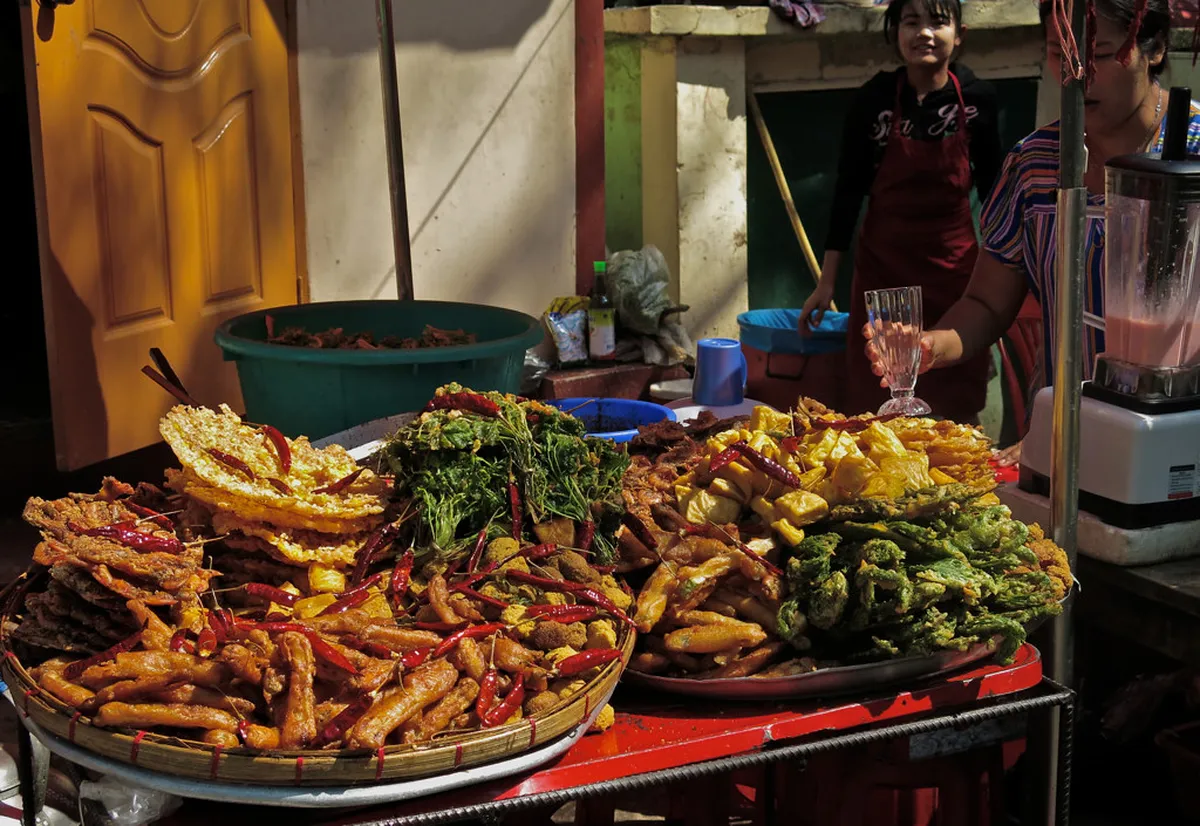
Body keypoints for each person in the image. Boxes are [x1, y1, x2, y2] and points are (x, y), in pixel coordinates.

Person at [866, 0, 1200, 438]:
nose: (1078, 75)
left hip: (1180, 435)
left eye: (1100, 55)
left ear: (1153, 49)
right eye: (1061, 54)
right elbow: (987, 304)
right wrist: (931, 345)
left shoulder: (1192, 152)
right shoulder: (1035, 163)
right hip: (1060, 432)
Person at [799, 0, 1003, 423]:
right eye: (911, 22)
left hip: (954, 274)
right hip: (883, 273)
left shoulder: (978, 101)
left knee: (953, 403)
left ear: (959, 34)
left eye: (938, 22)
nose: (924, 32)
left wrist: (999, 285)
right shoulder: (872, 101)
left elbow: (996, 196)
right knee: (877, 395)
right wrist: (826, 282)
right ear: (896, 33)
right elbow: (847, 194)